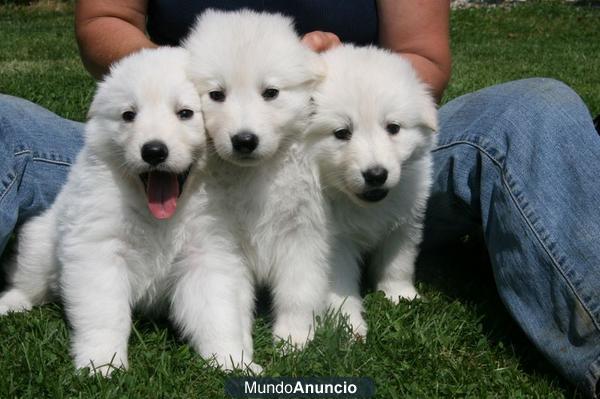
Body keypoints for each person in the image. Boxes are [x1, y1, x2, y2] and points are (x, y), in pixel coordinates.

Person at [0, 1, 598, 396]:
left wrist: (336, 79)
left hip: (344, 132)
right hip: (171, 134)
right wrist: (181, 83)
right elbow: (105, 16)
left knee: (535, 109)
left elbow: (424, 58)